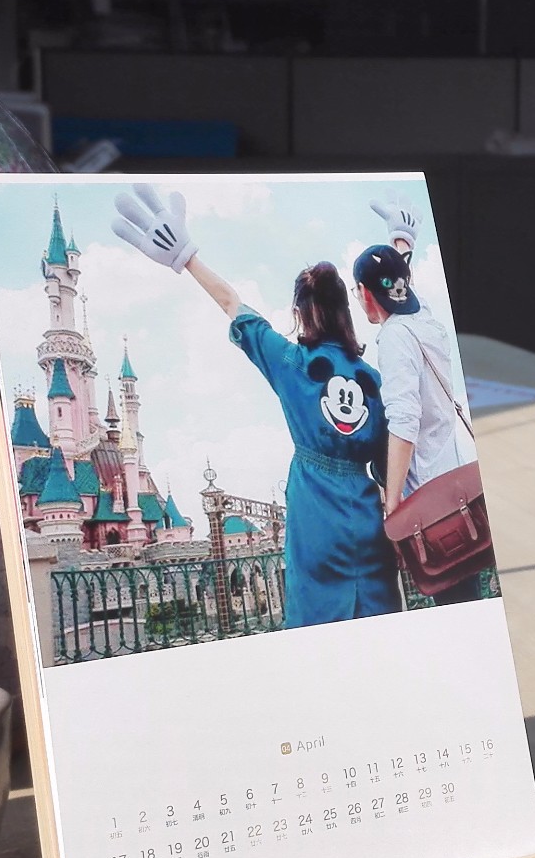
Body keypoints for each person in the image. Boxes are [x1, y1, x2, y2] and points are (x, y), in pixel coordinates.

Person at [112, 185, 401, 630]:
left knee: (319, 626)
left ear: (301, 313)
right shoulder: (374, 380)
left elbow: (234, 304)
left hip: (315, 515)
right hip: (367, 519)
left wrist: (186, 256)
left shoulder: (291, 363)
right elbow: (387, 466)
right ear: (345, 310)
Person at [351, 219, 481, 605]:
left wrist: (392, 503)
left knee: (454, 602)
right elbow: (407, 289)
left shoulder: (395, 337)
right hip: (457, 483)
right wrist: (400, 243)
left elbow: (404, 422)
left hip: (430, 501)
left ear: (365, 293)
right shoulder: (426, 323)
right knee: (470, 593)